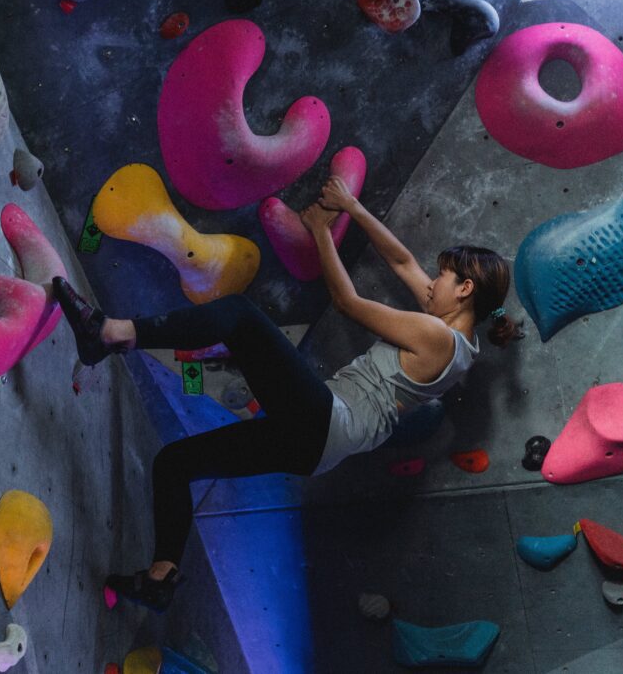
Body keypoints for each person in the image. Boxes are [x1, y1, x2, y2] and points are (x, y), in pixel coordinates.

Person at [52, 176, 520, 612]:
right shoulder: (460, 343)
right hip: (316, 447)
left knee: (237, 315)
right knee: (175, 464)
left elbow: (347, 302)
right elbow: (401, 261)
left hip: (328, 419)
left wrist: (319, 228)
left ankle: (111, 333)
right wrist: (352, 207)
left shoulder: (435, 337)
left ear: (463, 289)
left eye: (441, 278)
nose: (430, 282)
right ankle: (161, 576)